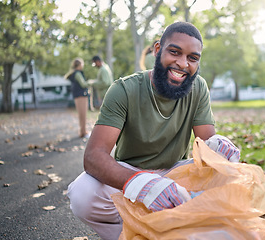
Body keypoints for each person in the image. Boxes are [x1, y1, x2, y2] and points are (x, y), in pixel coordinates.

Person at [67, 22, 240, 240]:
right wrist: (141, 183)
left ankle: (170, 229)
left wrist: (219, 146)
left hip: (176, 176)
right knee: (82, 193)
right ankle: (131, 234)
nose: (182, 63)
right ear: (158, 50)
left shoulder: (198, 87)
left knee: (229, 175)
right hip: (129, 175)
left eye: (192, 58)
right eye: (174, 52)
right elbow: (93, 156)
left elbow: (206, 146)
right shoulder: (124, 89)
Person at [64, 58, 90, 138]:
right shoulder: (78, 73)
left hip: (76, 96)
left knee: (80, 114)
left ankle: (82, 132)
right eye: (82, 64)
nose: (83, 65)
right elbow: (83, 84)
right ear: (79, 65)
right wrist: (90, 82)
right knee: (83, 114)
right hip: (81, 95)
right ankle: (84, 132)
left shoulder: (73, 73)